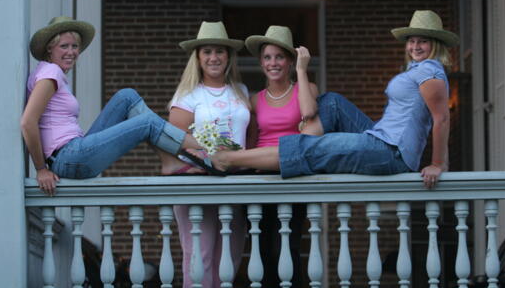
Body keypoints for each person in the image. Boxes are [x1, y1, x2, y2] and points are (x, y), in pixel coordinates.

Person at [199, 10, 457, 189]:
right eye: (412, 41)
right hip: (380, 139)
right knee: (331, 101)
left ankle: (229, 159)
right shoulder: (417, 69)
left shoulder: (429, 71)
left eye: (423, 41)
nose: (415, 46)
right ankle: (297, 151)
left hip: (392, 152)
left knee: (318, 146)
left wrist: (437, 164)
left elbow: (441, 118)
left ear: (435, 45)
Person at [21, 16, 201, 196]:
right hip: (68, 157)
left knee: (127, 96)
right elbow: (28, 122)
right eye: (64, 46)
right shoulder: (51, 73)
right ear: (50, 48)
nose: (71, 52)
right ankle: (205, 150)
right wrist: (41, 169)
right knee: (146, 122)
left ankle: (169, 160)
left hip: (73, 153)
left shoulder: (48, 71)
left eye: (75, 46)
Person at [162, 21, 250, 288]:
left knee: (230, 260)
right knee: (199, 259)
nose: (214, 57)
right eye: (207, 52)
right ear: (198, 58)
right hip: (198, 184)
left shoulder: (241, 91)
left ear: (228, 56)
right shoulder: (188, 94)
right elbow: (173, 142)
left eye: (220, 51)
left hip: (236, 183)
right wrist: (205, 157)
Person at [244, 25, 319, 287]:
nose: (273, 63)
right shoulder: (255, 100)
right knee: (263, 251)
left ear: (289, 60)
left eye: (279, 57)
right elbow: (251, 141)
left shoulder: (307, 88)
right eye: (267, 57)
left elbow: (308, 113)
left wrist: (301, 69)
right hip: (261, 175)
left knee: (287, 247)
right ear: (261, 62)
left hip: (291, 173)